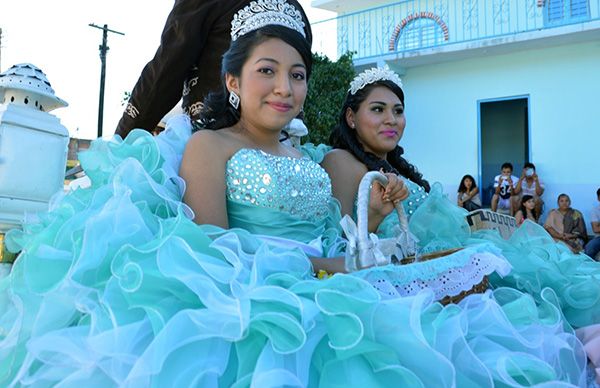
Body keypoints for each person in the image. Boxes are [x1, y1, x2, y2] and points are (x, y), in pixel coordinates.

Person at [0, 6, 590, 385]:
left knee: (484, 266)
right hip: (275, 295)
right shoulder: (210, 147)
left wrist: (376, 213)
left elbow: (343, 226)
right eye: (267, 71)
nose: (286, 87)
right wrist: (329, 266)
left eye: (299, 74)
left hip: (342, 272)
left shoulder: (307, 156)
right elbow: (212, 249)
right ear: (232, 81)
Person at [114, 0, 312, 139]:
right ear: (232, 82)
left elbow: (166, 71)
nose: (283, 88)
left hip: (218, 133)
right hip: (274, 141)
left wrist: (121, 142)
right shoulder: (297, 12)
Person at [321, 66, 429, 235]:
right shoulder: (340, 161)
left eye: (398, 111)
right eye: (378, 109)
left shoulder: (399, 168)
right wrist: (374, 216)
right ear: (351, 117)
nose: (391, 120)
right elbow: (340, 247)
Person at [585, 187, 600, 260]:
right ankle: (590, 269)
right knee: (589, 247)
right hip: (599, 237)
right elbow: (596, 229)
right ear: (598, 198)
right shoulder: (595, 211)